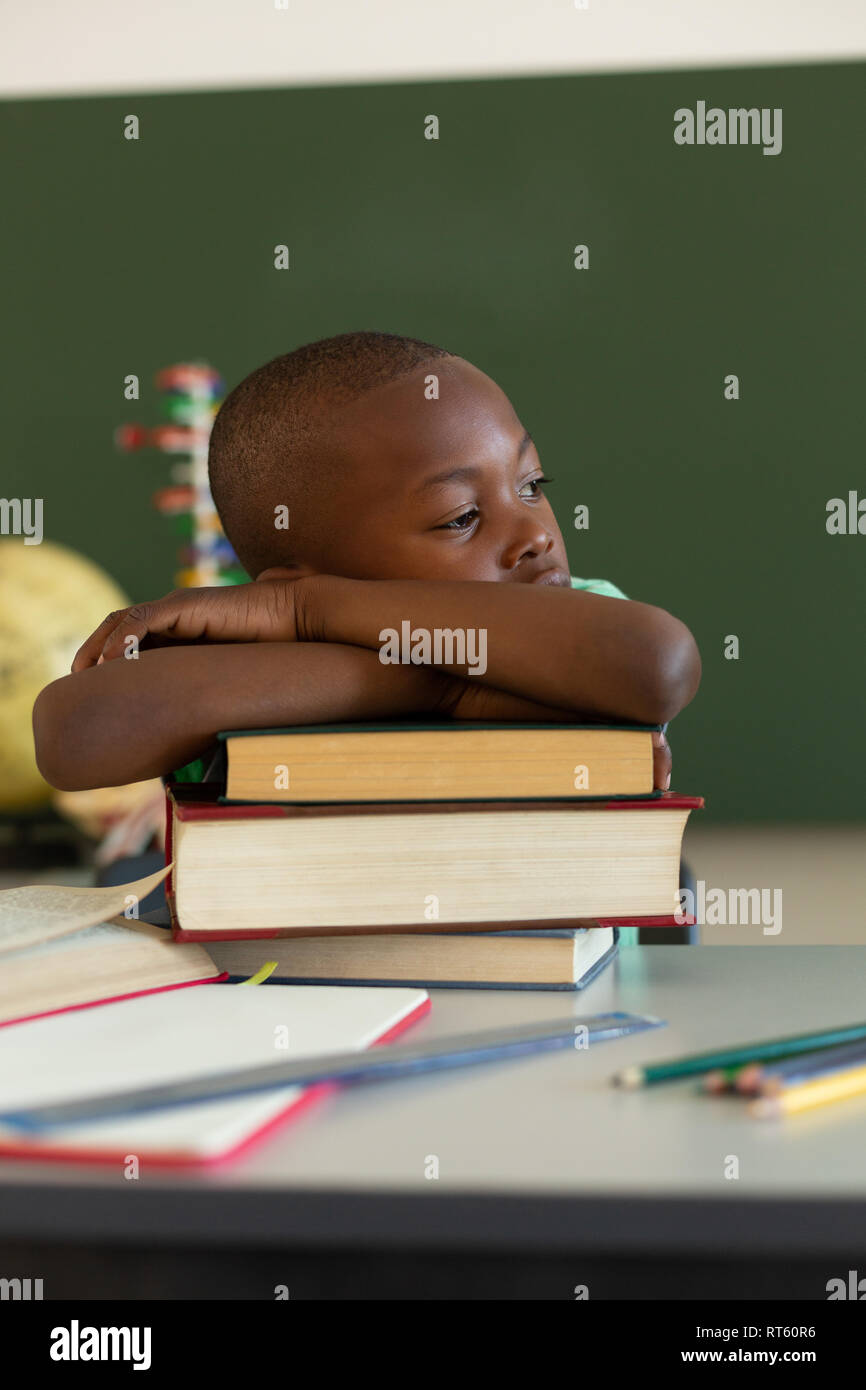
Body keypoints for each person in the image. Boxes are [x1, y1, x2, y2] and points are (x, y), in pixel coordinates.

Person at [33, 331, 700, 800]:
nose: (534, 535)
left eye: (533, 484)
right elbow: (74, 734)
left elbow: (661, 664)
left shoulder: (580, 613)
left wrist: (315, 611)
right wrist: (447, 683)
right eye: (461, 517)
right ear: (301, 574)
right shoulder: (247, 657)